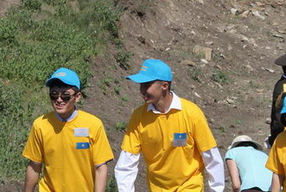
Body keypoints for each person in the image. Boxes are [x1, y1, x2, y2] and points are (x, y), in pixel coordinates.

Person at [115, 59, 225, 192]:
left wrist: (216, 189)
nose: (142, 90)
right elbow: (127, 161)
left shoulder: (191, 113)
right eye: (141, 85)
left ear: (164, 86)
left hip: (190, 185)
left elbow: (211, 155)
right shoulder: (139, 117)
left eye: (146, 85)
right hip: (157, 188)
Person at [23, 68, 114, 192]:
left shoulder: (93, 125)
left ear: (77, 97)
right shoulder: (40, 125)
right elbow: (34, 165)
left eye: (65, 96)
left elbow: (101, 168)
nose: (59, 100)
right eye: (54, 94)